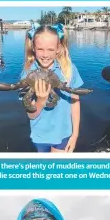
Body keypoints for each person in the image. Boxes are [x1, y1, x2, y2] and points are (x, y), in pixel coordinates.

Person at [23, 23, 84, 153]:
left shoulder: (69, 69)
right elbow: (31, 116)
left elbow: (75, 102)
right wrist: (40, 100)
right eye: (40, 49)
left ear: (58, 48)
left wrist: (75, 134)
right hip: (40, 135)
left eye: (50, 49)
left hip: (63, 132)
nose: (45, 55)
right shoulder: (28, 73)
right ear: (33, 47)